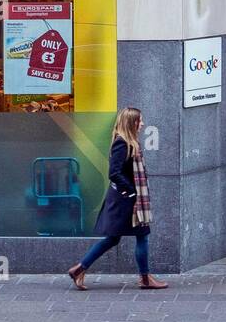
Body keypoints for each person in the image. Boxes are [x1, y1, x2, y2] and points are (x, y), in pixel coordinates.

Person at [67, 107, 169, 290]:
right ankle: (145, 279)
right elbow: (114, 173)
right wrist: (133, 191)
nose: (143, 124)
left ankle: (79, 269)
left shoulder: (129, 142)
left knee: (114, 238)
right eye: (140, 121)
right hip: (126, 200)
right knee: (142, 235)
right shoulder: (122, 143)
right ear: (132, 123)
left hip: (125, 199)